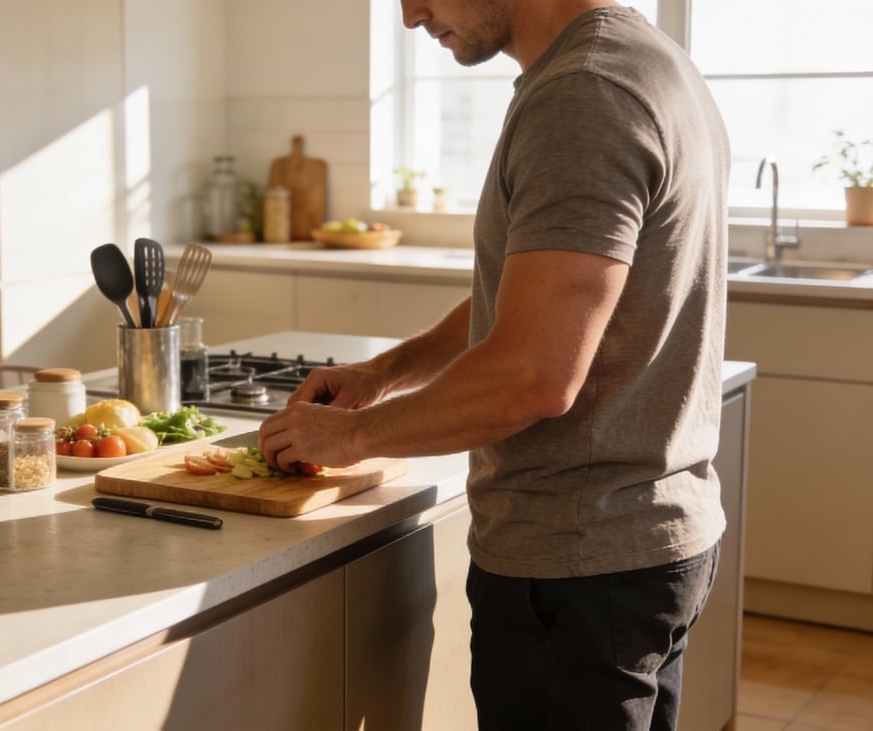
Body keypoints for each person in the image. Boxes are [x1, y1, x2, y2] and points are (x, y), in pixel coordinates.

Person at [258, 1, 730, 728]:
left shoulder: (586, 91)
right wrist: (385, 371)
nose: (412, 16)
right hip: (642, 543)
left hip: (579, 564)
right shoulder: (645, 60)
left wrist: (349, 437)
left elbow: (534, 373)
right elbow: (532, 298)